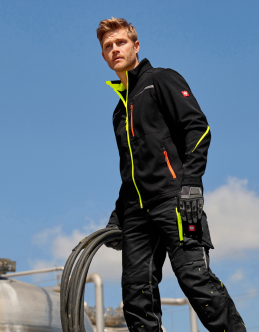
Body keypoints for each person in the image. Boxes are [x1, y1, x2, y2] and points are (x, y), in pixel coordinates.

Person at [97, 18, 246, 332]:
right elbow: (132, 169)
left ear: (136, 46)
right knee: (136, 298)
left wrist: (191, 183)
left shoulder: (160, 80)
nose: (114, 50)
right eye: (108, 46)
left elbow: (198, 129)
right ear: (103, 56)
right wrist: (118, 213)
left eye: (120, 43)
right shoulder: (119, 112)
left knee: (195, 281)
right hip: (137, 213)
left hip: (176, 201)